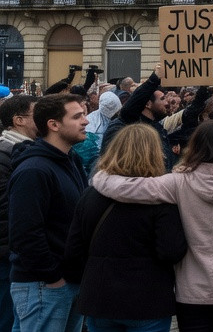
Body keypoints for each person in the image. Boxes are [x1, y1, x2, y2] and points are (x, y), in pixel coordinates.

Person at [92, 119, 213, 332]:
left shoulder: (178, 182)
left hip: (193, 288)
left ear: (195, 145)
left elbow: (130, 188)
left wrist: (101, 177)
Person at [63, 123, 188, 332]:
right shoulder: (161, 200)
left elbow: (74, 249)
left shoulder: (91, 194)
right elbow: (171, 251)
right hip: (148, 298)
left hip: (99, 297)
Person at [9, 94, 89, 332]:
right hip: (44, 285)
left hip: (67, 280)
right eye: (77, 116)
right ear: (53, 124)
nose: (85, 121)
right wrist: (53, 277)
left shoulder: (70, 160)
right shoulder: (34, 170)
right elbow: (25, 233)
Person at [0, 94, 38, 332]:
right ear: (19, 120)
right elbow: (6, 208)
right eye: (37, 114)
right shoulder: (5, 154)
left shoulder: (26, 151)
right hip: (8, 255)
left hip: (15, 252)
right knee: (7, 319)